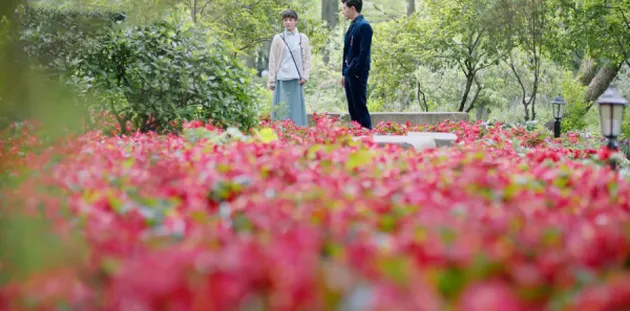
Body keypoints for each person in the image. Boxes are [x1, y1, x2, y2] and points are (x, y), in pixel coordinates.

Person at [267, 9, 312, 126]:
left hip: (297, 80)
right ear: (282, 22)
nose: (288, 22)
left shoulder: (302, 38)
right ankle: (281, 134)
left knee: (296, 110)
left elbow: (307, 59)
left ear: (296, 21)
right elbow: (272, 60)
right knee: (282, 110)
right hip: (281, 79)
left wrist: (305, 76)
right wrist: (271, 80)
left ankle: (297, 133)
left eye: (291, 20)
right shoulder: (278, 38)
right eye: (285, 20)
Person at [341, 0, 373, 130]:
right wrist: (344, 73)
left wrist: (354, 70)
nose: (343, 11)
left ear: (352, 8)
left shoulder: (364, 26)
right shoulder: (353, 25)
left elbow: (363, 53)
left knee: (359, 105)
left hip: (357, 73)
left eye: (344, 8)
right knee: (352, 107)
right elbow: (346, 51)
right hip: (349, 72)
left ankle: (366, 131)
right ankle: (357, 132)